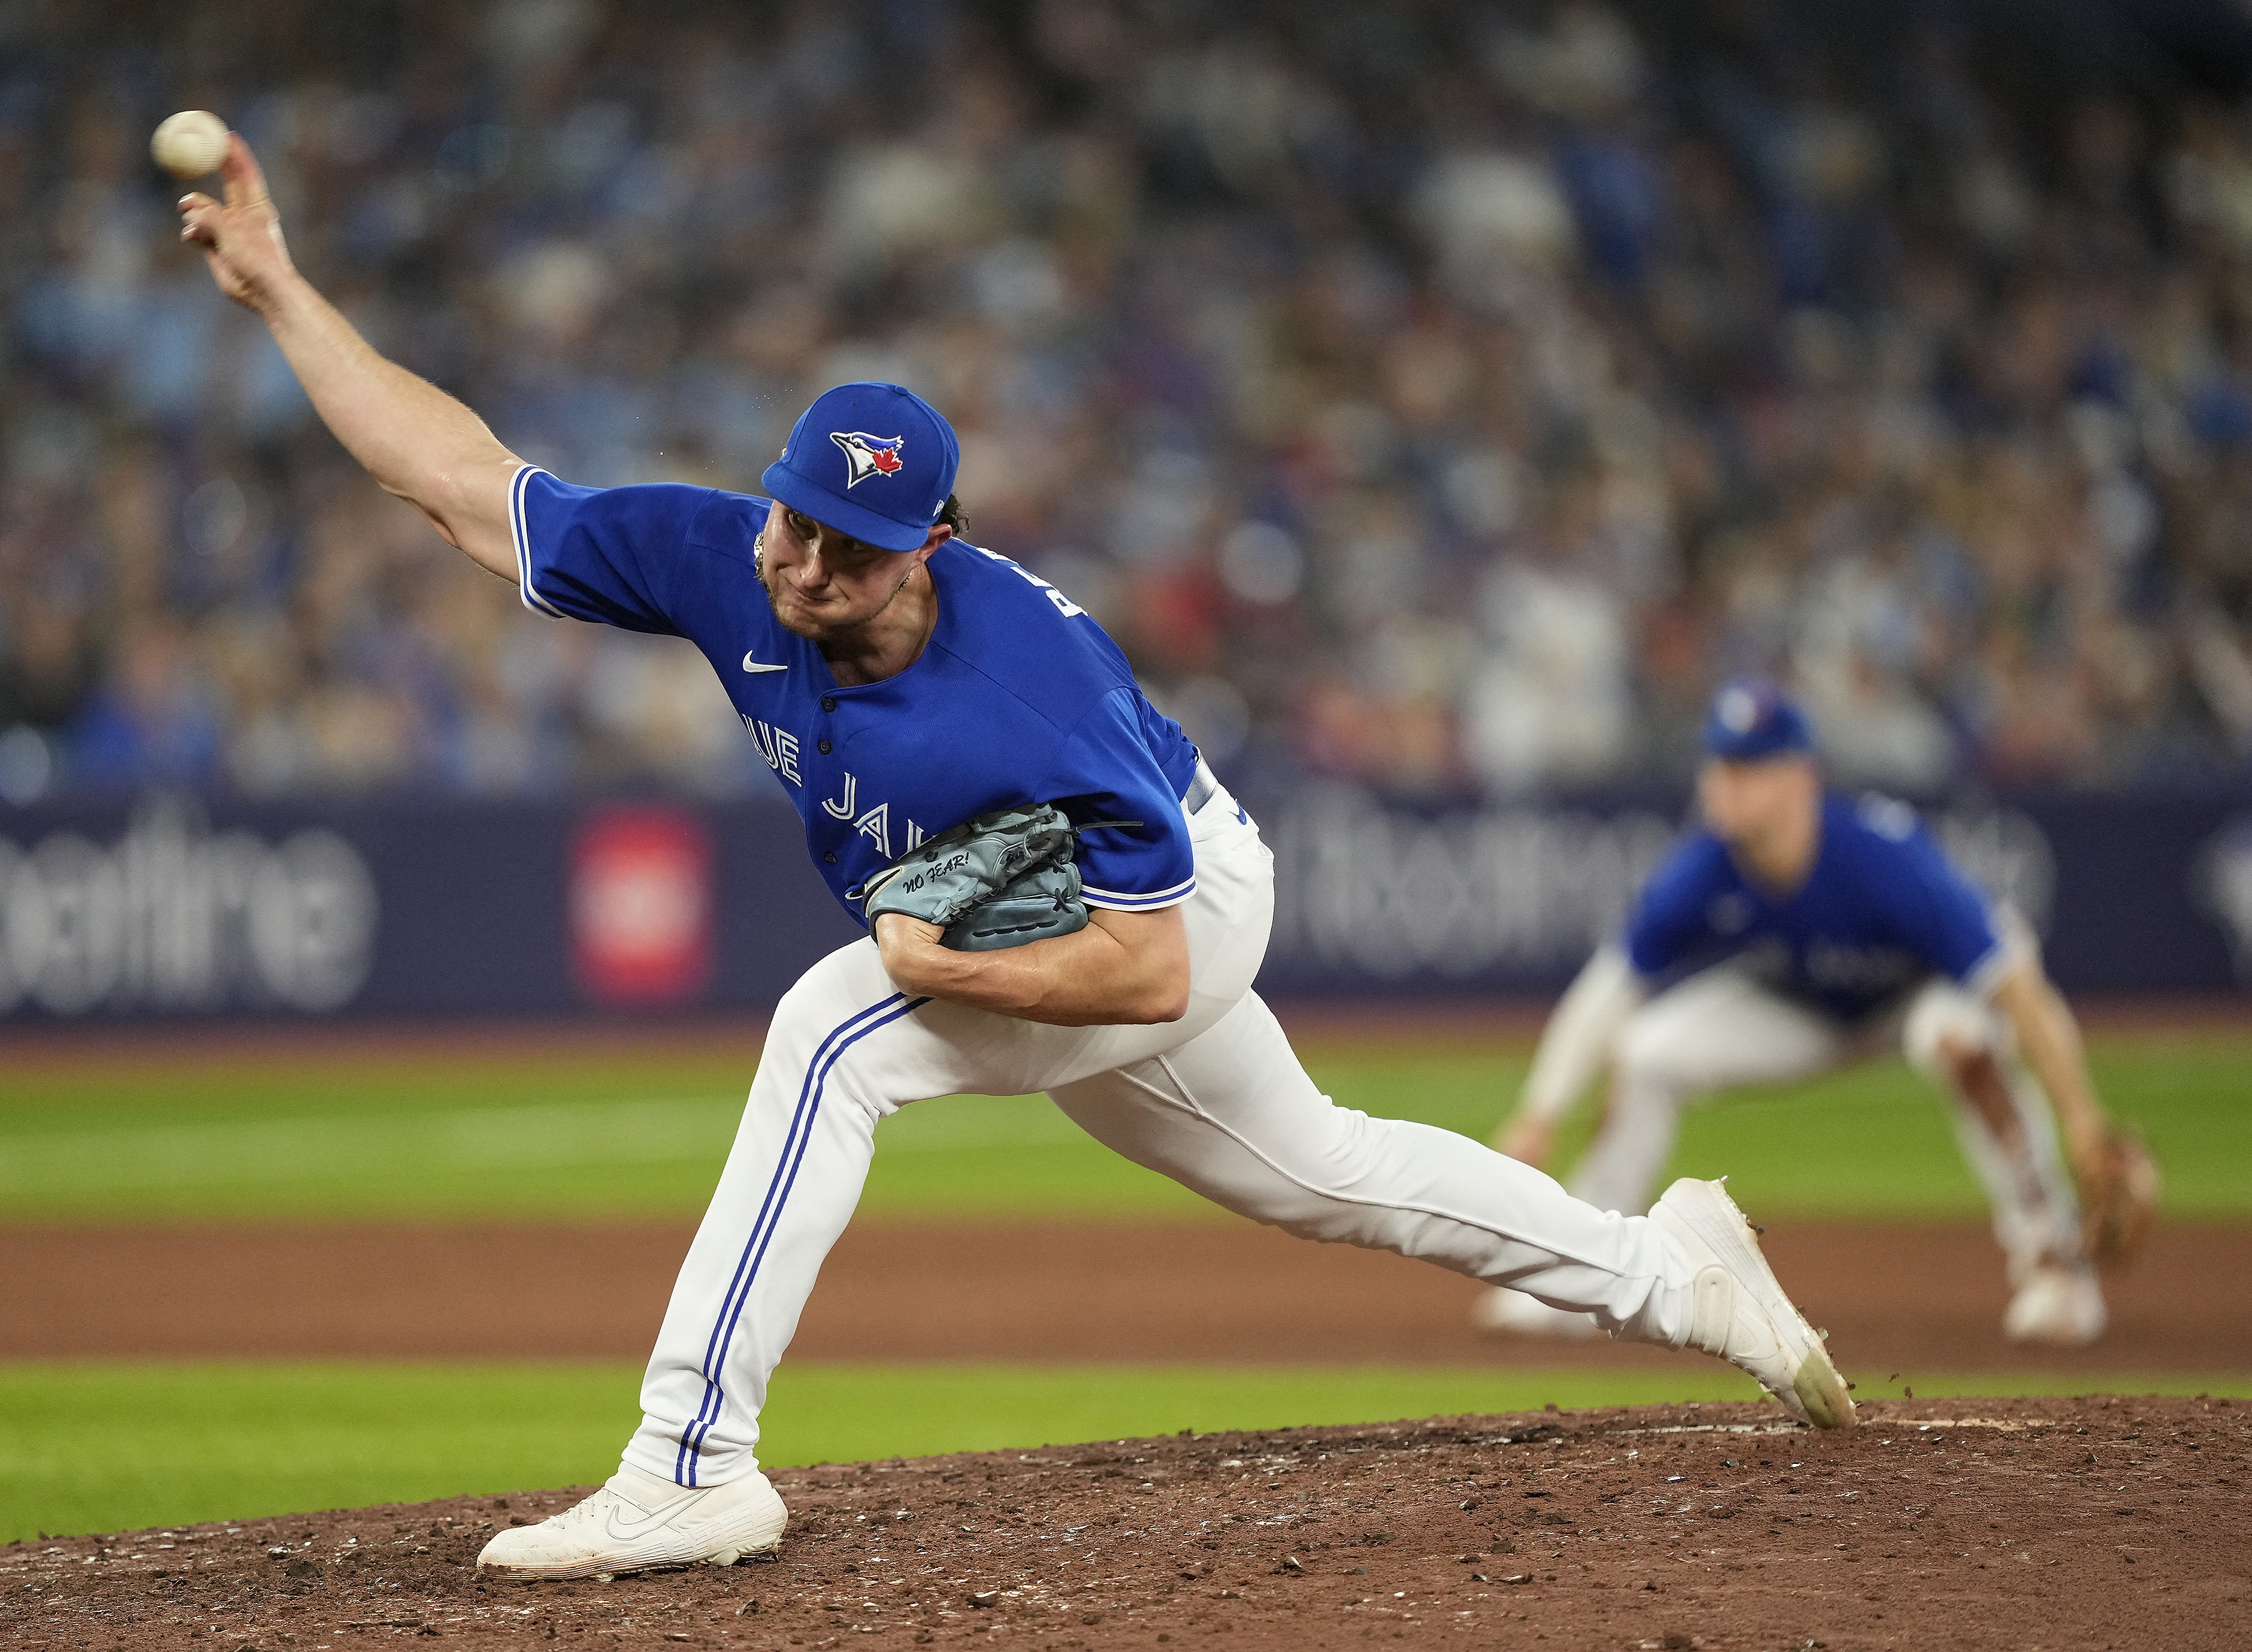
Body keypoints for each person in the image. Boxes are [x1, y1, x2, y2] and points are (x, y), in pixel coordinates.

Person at [177, 134, 1856, 1586]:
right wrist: (278, 292)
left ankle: (690, 1460)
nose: (804, 562)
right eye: (792, 519)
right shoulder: (728, 558)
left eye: (852, 543)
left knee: (833, 1032)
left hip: (1178, 894)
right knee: (1326, 1172)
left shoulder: (1019, 692)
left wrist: (948, 971)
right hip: (1077, 914)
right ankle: (1675, 1267)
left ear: (937, 547)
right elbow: (469, 486)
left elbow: (1155, 967)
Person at [1476, 680, 2119, 1347]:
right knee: (1644, 1051)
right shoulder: (1706, 864)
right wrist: (1540, 1109)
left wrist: (2082, 1118)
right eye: (1718, 765)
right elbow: (1609, 987)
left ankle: (2056, 1268)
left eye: (1746, 767)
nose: (1723, 784)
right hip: (1804, 1005)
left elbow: (2013, 983)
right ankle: (1579, 1273)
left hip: (1917, 996)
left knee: (1959, 1040)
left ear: (1799, 778)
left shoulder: (1878, 857)